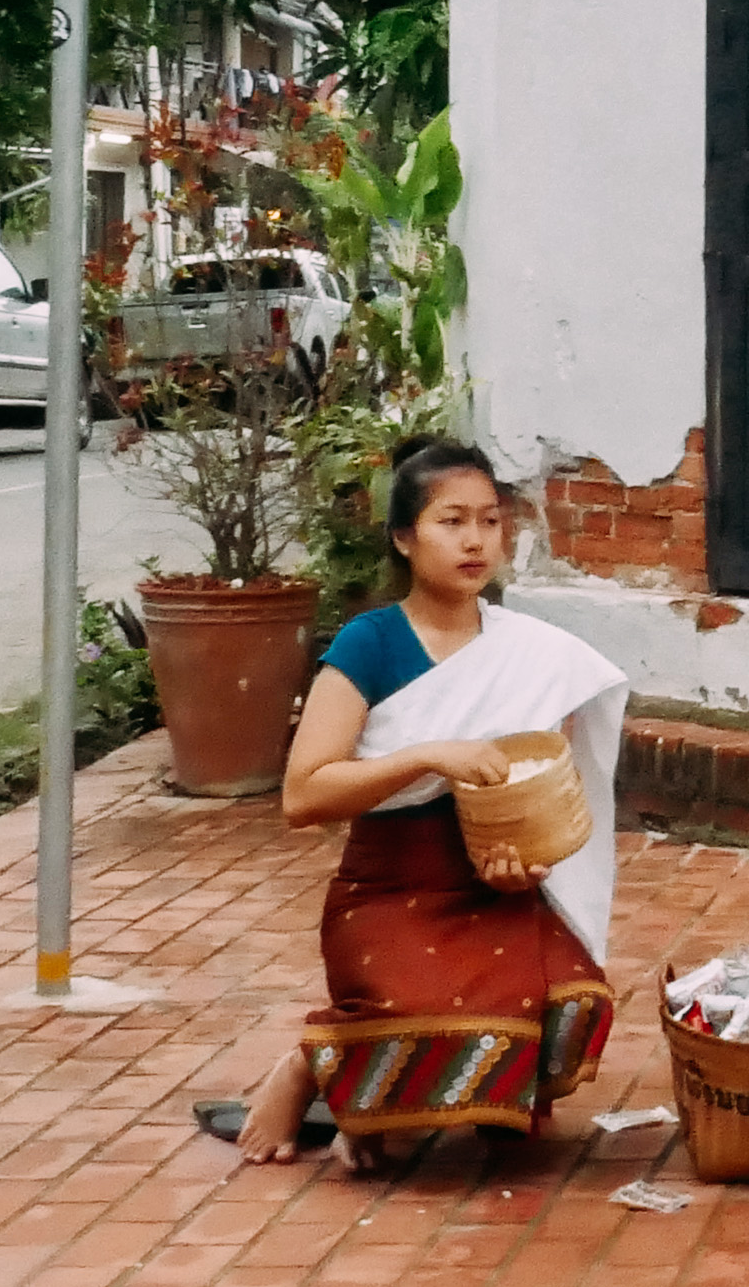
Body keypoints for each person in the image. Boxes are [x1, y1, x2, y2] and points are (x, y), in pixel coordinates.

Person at [194, 438, 629, 1171]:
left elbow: (541, 802)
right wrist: (429, 755)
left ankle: (448, 1098)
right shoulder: (370, 644)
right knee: (417, 1015)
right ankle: (312, 1066)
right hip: (393, 887)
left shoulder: (534, 654)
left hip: (489, 888)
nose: (474, 540)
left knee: (573, 1003)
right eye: (451, 520)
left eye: (490, 521)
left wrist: (521, 868)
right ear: (404, 537)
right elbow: (304, 795)